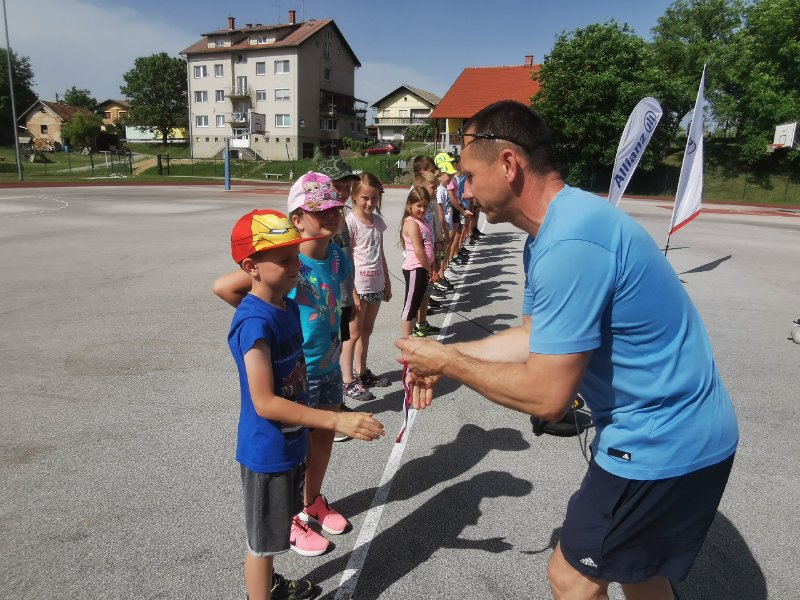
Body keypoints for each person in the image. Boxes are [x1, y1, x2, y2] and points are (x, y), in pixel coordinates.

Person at [396, 100, 739, 600]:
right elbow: (534, 337)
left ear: (508, 164)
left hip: (661, 438)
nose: (463, 190)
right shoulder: (553, 230)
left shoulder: (570, 243)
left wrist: (450, 361)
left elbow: (547, 396)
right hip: (685, 431)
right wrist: (450, 356)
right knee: (638, 572)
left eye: (468, 175)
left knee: (571, 578)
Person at [225, 208, 385, 600]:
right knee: (262, 546)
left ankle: (269, 584)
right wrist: (336, 420)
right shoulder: (254, 323)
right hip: (268, 452)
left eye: (295, 256)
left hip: (291, 444)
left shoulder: (287, 306)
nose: (296, 266)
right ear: (251, 267)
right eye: (283, 260)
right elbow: (265, 402)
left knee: (275, 533)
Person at [214, 172, 366, 558]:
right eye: (320, 210)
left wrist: (345, 327)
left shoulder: (337, 258)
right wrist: (273, 328)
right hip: (300, 371)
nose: (331, 215)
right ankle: (293, 516)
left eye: (335, 208)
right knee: (295, 450)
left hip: (328, 364)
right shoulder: (287, 263)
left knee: (323, 441)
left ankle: (312, 501)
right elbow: (225, 287)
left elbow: (341, 301)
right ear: (296, 219)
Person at [317, 157, 374, 410]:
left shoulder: (339, 216)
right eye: (337, 186)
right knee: (327, 350)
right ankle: (329, 402)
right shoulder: (318, 220)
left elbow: (344, 260)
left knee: (338, 345)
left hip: (343, 295)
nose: (342, 192)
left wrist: (351, 292)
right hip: (327, 299)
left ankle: (335, 401)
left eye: (346, 187)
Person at [342, 172, 392, 394]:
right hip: (358, 286)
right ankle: (347, 379)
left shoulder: (378, 222)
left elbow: (380, 254)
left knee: (367, 330)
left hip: (376, 283)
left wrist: (387, 282)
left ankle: (361, 372)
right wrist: (352, 291)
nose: (370, 203)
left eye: (374, 198)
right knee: (352, 334)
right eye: (365, 198)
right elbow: (346, 259)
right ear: (354, 196)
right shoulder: (350, 223)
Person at [399, 186, 438, 338]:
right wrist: (430, 270)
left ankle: (411, 337)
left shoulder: (423, 221)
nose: (422, 209)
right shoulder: (411, 223)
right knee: (410, 306)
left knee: (415, 304)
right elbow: (419, 250)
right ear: (410, 205)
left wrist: (432, 266)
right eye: (419, 206)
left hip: (423, 268)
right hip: (415, 268)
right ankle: (406, 340)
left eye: (425, 206)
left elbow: (429, 247)